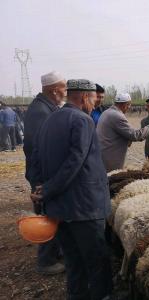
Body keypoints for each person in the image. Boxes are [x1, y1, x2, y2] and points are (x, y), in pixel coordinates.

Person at [30, 79, 113, 300]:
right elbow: (75, 162)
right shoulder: (82, 120)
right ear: (85, 96)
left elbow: (35, 159)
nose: (95, 103)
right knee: (97, 262)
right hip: (84, 208)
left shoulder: (50, 119)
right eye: (94, 98)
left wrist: (42, 191)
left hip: (60, 209)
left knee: (73, 262)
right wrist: (47, 189)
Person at [23, 71, 67, 275]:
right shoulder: (41, 112)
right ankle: (46, 262)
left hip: (45, 173)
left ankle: (55, 253)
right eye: (64, 88)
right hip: (43, 174)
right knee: (48, 215)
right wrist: (43, 181)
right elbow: (37, 148)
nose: (66, 92)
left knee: (53, 213)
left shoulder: (46, 107)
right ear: (54, 90)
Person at [97, 93, 149, 172]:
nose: (129, 107)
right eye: (129, 105)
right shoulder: (117, 116)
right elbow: (135, 135)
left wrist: (127, 139)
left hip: (102, 157)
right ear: (125, 105)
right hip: (109, 161)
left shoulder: (106, 112)